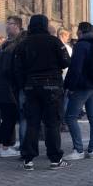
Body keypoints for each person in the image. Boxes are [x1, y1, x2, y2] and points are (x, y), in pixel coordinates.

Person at [13, 14, 71, 170]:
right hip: (52, 86)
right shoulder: (54, 42)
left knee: (32, 123)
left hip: (31, 87)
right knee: (52, 123)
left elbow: (17, 68)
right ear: (45, 25)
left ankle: (28, 159)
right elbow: (66, 62)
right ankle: (55, 159)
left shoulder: (23, 44)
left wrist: (23, 85)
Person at [64, 22, 93, 161]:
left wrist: (69, 86)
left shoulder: (81, 45)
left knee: (70, 117)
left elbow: (75, 68)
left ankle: (78, 149)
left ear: (81, 31)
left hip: (82, 87)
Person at [0, 18, 25, 157]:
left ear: (18, 26)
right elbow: (12, 69)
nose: (7, 27)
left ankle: (0, 145)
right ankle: (4, 146)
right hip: (4, 85)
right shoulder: (9, 46)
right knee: (9, 116)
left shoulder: (9, 44)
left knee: (7, 116)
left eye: (10, 24)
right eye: (7, 24)